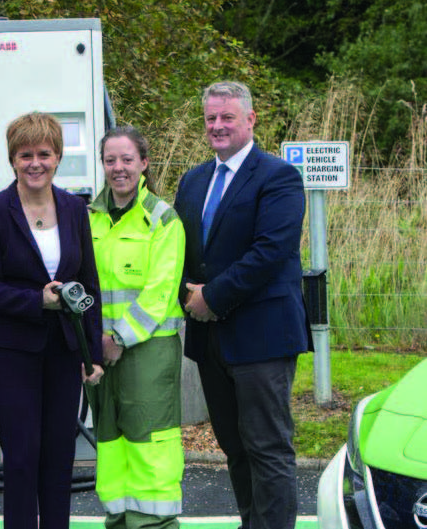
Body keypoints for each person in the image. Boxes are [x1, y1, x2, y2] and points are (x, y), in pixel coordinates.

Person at [173, 81, 312, 529]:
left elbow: (270, 251)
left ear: (250, 120)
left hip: (262, 337)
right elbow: (179, 252)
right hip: (211, 341)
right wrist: (187, 296)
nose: (217, 126)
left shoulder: (279, 177)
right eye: (211, 118)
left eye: (227, 117)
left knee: (267, 448)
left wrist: (211, 297)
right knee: (234, 447)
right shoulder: (193, 180)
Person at [0, 111, 105, 529]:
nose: (35, 163)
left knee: (59, 456)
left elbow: (88, 285)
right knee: (23, 456)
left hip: (65, 349)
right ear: (13, 159)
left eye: (44, 154)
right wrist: (36, 301)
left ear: (58, 157)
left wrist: (93, 352)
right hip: (13, 351)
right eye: (25, 154)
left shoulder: (74, 209)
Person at [87, 126, 186, 529]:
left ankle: (154, 525)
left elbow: (159, 293)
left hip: (147, 350)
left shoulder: (162, 219)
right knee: (110, 443)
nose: (118, 168)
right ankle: (119, 520)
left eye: (127, 159)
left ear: (144, 163)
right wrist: (89, 344)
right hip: (98, 352)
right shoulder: (87, 217)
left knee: (150, 444)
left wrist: (119, 338)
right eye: (110, 160)